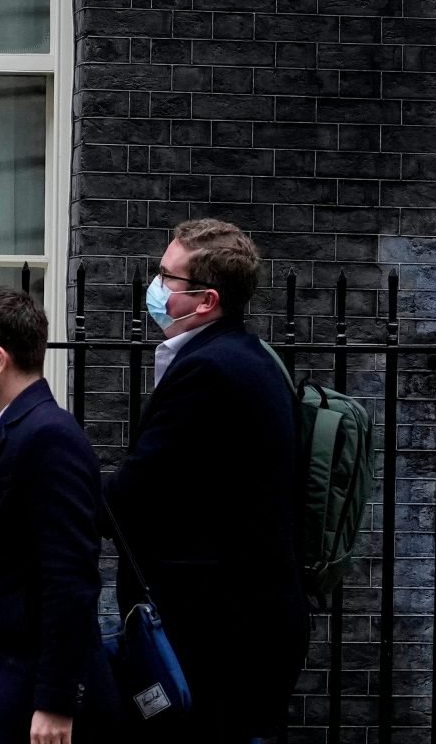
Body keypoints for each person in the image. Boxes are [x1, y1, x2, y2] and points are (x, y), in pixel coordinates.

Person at [106, 218, 307, 742]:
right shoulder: (249, 356)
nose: (155, 287)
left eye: (167, 278)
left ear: (206, 300)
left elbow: (135, 493)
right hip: (247, 626)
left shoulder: (208, 371)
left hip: (214, 634)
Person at [0, 287, 115, 744]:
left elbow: (70, 577)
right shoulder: (6, 428)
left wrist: (54, 700)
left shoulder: (51, 436)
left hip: (20, 674)